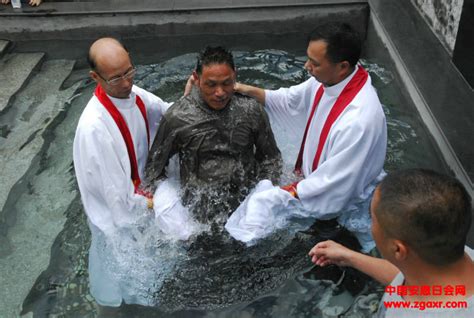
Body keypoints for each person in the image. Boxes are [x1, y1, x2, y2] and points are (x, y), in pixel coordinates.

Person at [235, 21, 387, 251]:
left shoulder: (359, 121)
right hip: (321, 183)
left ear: (342, 66)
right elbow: (291, 100)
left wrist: (277, 196)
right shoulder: (331, 80)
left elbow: (332, 189)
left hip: (343, 207)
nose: (307, 66)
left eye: (315, 63)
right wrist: (247, 91)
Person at [73, 37, 173, 307]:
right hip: (119, 220)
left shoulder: (134, 95)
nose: (127, 83)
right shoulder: (94, 129)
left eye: (129, 71)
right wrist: (163, 200)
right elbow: (118, 201)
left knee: (152, 282)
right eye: (116, 78)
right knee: (119, 286)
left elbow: (167, 114)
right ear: (96, 77)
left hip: (141, 200)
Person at [144, 46, 282, 224]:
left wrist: (262, 194)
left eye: (226, 83)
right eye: (211, 84)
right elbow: (153, 171)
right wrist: (169, 202)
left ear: (235, 75)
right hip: (199, 218)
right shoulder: (178, 117)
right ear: (197, 78)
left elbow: (272, 159)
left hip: (246, 209)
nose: (220, 92)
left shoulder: (251, 110)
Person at [309, 169, 474, 317]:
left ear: (397, 249)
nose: (370, 224)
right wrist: (349, 257)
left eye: (372, 218)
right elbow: (409, 274)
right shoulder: (453, 250)